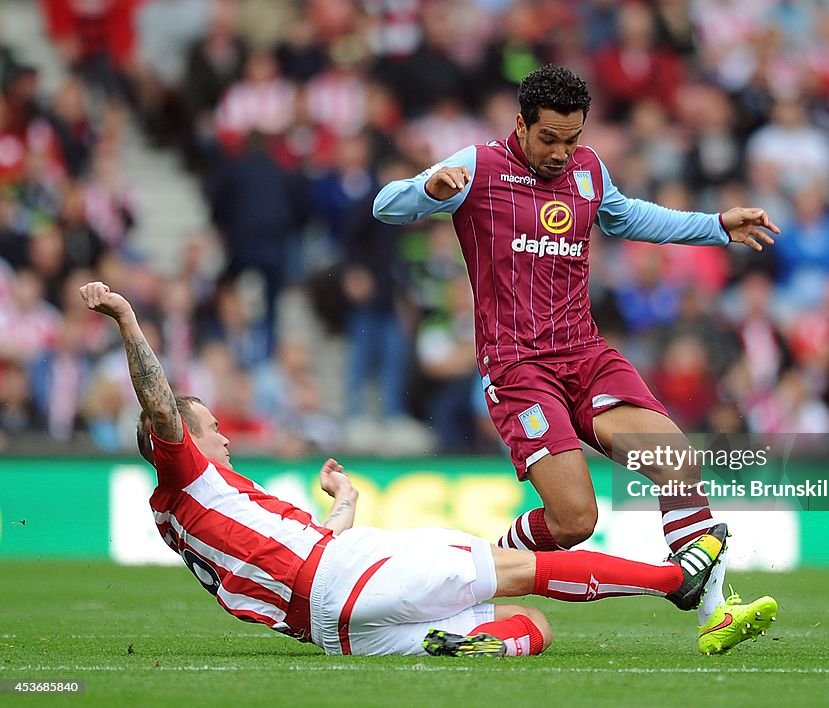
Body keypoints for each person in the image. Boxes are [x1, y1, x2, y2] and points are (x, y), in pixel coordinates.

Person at [79, 280, 775, 657]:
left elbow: (303, 554)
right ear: (177, 439)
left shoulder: (187, 512)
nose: (222, 439)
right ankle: (676, 583)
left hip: (333, 628)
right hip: (338, 582)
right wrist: (129, 320)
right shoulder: (186, 473)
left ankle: (456, 647)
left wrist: (344, 500)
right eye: (212, 430)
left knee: (532, 629)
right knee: (518, 571)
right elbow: (162, 407)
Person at [373, 64, 779, 653]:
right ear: (520, 124)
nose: (563, 152)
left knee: (676, 458)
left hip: (585, 354)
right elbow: (387, 205)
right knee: (573, 522)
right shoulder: (478, 167)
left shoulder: (588, 170)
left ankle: (715, 614)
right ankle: (487, 575)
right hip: (518, 368)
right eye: (549, 138)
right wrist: (427, 191)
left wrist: (715, 225)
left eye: (573, 137)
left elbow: (630, 215)